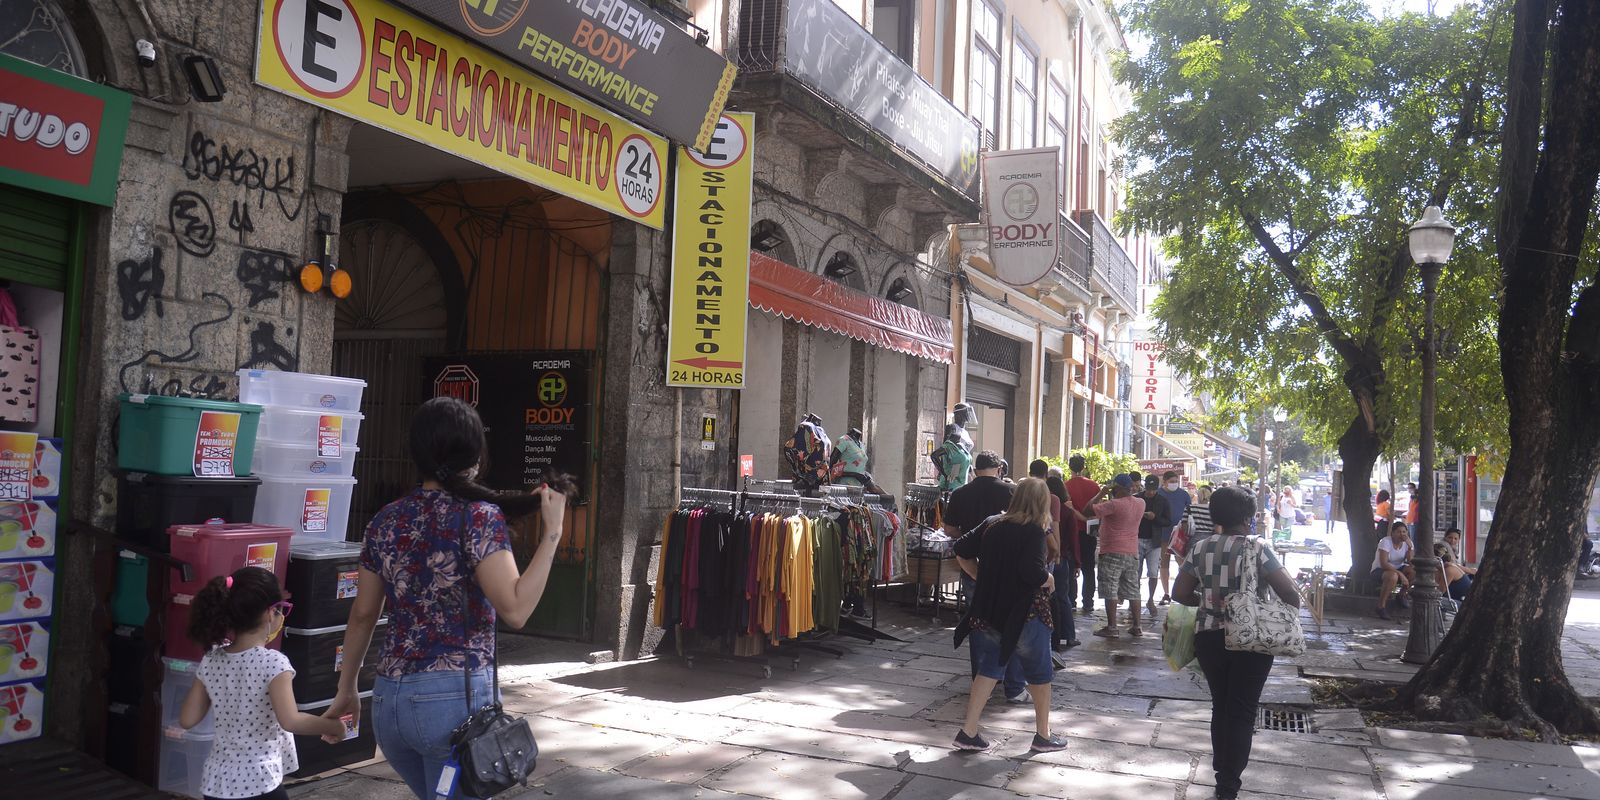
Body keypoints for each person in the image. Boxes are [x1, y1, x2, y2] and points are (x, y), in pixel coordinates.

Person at [326, 397, 570, 799]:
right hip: (451, 706)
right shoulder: (478, 516)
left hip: (389, 704)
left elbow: (364, 613)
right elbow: (516, 609)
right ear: (475, 456)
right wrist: (553, 533)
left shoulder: (385, 520)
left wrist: (347, 687)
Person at [1172, 486, 1302, 800]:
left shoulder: (1201, 547)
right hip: (1252, 642)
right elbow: (1290, 593)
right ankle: (1228, 783)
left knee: (1221, 705)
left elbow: (1179, 593)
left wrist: (1208, 603)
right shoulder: (1258, 548)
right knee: (1242, 710)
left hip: (1209, 638)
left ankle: (1222, 771)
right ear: (1248, 518)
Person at [179, 566, 347, 800]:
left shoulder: (212, 659)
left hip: (216, 783)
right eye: (282, 609)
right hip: (259, 781)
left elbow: (187, 719)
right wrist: (334, 727)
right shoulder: (273, 663)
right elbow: (291, 720)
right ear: (270, 613)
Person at [951, 478, 1068, 753]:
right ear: (1042, 502)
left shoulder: (992, 523)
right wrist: (1049, 578)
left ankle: (968, 731)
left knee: (989, 669)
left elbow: (960, 549)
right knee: (1040, 673)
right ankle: (1043, 735)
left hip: (991, 611)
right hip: (1026, 614)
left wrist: (980, 576)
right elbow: (1032, 572)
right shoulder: (1034, 531)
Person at [943, 450, 1027, 700]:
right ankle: (1012, 684)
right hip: (1007, 565)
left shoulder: (960, 493)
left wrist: (970, 537)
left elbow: (949, 529)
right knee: (1011, 621)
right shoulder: (1011, 491)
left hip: (973, 563)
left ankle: (982, 680)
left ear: (974, 469)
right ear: (999, 468)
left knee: (978, 619)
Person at [1068, 474, 1146, 637]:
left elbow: (1087, 510)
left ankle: (1112, 627)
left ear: (1118, 488)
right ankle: (1137, 626)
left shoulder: (1113, 505)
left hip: (1112, 551)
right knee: (1133, 589)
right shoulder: (1140, 503)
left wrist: (1101, 493)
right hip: (1132, 552)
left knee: (1110, 588)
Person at [1045, 471, 1080, 650]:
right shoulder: (1068, 512)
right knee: (1062, 598)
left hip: (1052, 558)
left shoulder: (1045, 510)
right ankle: (1068, 636)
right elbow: (1074, 540)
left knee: (1052, 599)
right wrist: (1077, 562)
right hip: (1063, 558)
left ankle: (1056, 637)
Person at [1064, 457, 1101, 613]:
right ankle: (1088, 601)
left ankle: (1072, 600)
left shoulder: (1066, 486)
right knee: (1089, 567)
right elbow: (1098, 508)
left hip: (1073, 530)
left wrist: (1081, 518)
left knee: (1072, 566)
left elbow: (1069, 509)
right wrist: (1089, 520)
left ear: (1069, 467)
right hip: (1090, 530)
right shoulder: (1094, 485)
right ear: (1084, 466)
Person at [1136, 475, 1173, 615]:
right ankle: (1135, 599)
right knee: (1136, 572)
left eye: (1153, 489)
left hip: (1154, 541)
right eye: (1148, 489)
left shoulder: (1162, 500)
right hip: (1137, 538)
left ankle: (1150, 599)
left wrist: (1155, 517)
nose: (1150, 492)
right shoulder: (1137, 498)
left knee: (1153, 572)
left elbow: (1168, 521)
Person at [1157, 471, 1192, 606]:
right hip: (1163, 534)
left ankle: (1182, 591)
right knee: (1164, 564)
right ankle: (1166, 593)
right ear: (1164, 482)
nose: (1174, 484)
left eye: (1176, 481)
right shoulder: (1159, 494)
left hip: (1180, 535)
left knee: (1182, 564)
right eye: (1171, 481)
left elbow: (1190, 512)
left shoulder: (1183, 494)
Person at [1371, 521, 1416, 620]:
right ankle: (1381, 606)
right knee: (1393, 576)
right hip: (1380, 569)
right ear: (1393, 533)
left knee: (1413, 572)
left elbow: (1411, 563)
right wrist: (1400, 574)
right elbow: (1384, 563)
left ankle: (1402, 595)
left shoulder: (1408, 543)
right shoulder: (1385, 542)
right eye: (1399, 532)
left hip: (1398, 568)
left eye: (1404, 532)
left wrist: (1410, 548)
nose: (1402, 535)